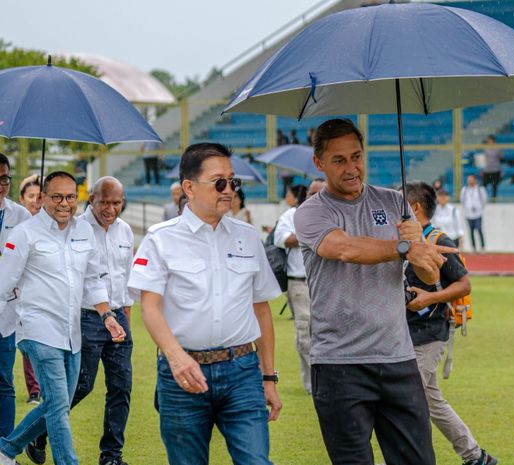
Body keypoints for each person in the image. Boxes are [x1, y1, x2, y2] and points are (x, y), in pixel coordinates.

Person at [294, 118, 456, 465]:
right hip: (339, 363)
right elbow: (344, 249)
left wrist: (425, 256)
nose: (352, 168)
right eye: (339, 160)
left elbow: (427, 275)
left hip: (397, 357)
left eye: (357, 156)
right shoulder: (310, 212)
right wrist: (403, 248)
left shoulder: (393, 201)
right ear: (318, 163)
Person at [127, 143, 282, 465]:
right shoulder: (160, 238)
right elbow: (150, 307)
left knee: (256, 461)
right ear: (189, 187)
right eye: (219, 182)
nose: (229, 190)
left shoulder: (248, 236)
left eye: (233, 181)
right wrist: (177, 358)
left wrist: (268, 377)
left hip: (242, 371)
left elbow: (262, 310)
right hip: (183, 375)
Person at [0, 171, 126, 465]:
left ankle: (6, 450)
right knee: (57, 406)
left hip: (73, 333)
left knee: (59, 405)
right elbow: (4, 284)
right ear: (43, 198)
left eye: (70, 196)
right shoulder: (24, 234)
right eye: (56, 196)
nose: (64, 203)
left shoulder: (84, 233)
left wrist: (107, 315)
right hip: (36, 329)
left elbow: (93, 279)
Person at [404, 182, 498, 465]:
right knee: (431, 401)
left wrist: (430, 299)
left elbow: (464, 285)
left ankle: (403, 458)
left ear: (415, 208)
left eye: (400, 203)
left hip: (429, 334)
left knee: (408, 400)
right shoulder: (403, 240)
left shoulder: (438, 240)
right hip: (405, 333)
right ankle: (476, 457)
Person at [0, 153, 32, 441]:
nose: (1, 184)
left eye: (4, 178)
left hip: (5, 312)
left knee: (4, 382)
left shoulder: (20, 215)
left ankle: (3, 447)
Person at [274, 184, 310, 393]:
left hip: (327, 281)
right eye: (312, 192)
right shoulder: (291, 215)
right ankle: (313, 382)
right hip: (299, 282)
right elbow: (283, 239)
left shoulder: (330, 212)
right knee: (305, 334)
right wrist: (311, 236)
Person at [18, 175, 42, 405]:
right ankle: (34, 388)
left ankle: (39, 386)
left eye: (39, 196)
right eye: (31, 196)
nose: (36, 201)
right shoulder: (19, 226)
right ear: (22, 199)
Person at [460, 175, 487, 253]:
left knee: (479, 230)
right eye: (469, 180)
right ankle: (473, 247)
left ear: (475, 180)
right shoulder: (465, 190)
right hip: (468, 214)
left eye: (471, 180)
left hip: (478, 214)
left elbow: (484, 199)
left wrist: (480, 208)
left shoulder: (480, 189)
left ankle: (482, 247)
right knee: (471, 231)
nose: (470, 181)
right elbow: (462, 200)